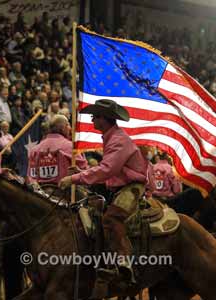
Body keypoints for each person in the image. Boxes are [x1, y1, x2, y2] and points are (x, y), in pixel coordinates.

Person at [59, 99, 149, 284]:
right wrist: (82, 173)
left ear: (104, 119)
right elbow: (107, 170)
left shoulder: (118, 140)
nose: (92, 118)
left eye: (95, 116)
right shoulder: (113, 137)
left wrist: (74, 178)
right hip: (117, 187)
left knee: (111, 218)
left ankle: (125, 265)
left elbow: (107, 170)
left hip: (131, 188)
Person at [28, 115, 87, 185]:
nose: (70, 128)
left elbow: (30, 176)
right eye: (68, 125)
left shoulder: (34, 150)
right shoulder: (69, 146)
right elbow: (84, 168)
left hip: (38, 192)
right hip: (63, 191)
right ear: (63, 128)